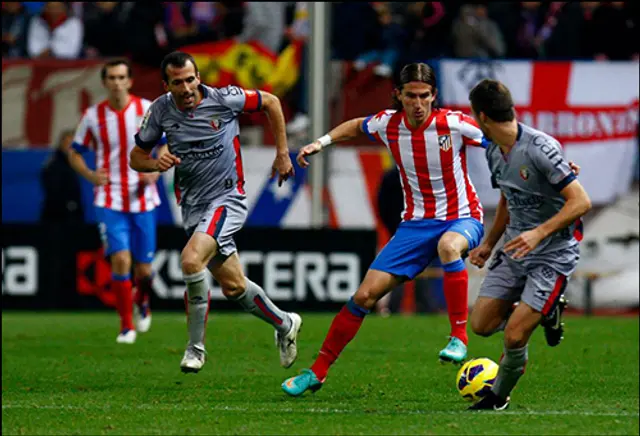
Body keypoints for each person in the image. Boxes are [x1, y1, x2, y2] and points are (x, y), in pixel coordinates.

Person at [281, 62, 489, 397]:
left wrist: (544, 163)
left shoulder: (453, 123)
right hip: (415, 225)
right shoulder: (388, 124)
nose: (418, 104)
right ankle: (317, 371)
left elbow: (501, 139)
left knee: (449, 248)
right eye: (411, 96)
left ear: (434, 96)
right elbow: (354, 126)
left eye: (424, 96)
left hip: (461, 216)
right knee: (363, 296)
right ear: (399, 95)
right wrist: (320, 143)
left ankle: (458, 338)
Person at [129, 51, 302, 374]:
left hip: (227, 197)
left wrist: (282, 153)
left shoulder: (225, 98)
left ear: (199, 77)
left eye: (191, 79)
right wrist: (155, 163)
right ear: (167, 84)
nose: (187, 88)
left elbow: (272, 102)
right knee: (234, 287)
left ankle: (195, 348)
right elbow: (136, 157)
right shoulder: (160, 111)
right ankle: (285, 322)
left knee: (191, 259)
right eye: (178, 82)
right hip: (193, 206)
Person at [466, 79, 591, 410]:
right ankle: (545, 311)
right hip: (514, 249)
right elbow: (508, 197)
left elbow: (580, 202)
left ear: (481, 116)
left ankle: (497, 397)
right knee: (480, 325)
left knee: (514, 336)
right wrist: (489, 243)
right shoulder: (493, 150)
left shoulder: (540, 148)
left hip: (553, 253)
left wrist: (539, 232)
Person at [68, 58, 166, 344]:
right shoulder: (93, 116)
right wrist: (89, 174)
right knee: (120, 259)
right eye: (111, 78)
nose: (117, 83)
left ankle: (143, 301)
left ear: (130, 81)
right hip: (109, 199)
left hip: (143, 199)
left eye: (122, 77)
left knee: (144, 269)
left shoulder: (146, 109)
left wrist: (157, 166)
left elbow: (169, 140)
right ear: (104, 82)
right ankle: (126, 326)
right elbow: (74, 151)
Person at [41, 129, 84, 225]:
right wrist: (70, 207)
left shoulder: (71, 164)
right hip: (58, 220)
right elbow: (54, 194)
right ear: (61, 144)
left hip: (70, 217)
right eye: (68, 144)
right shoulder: (54, 166)